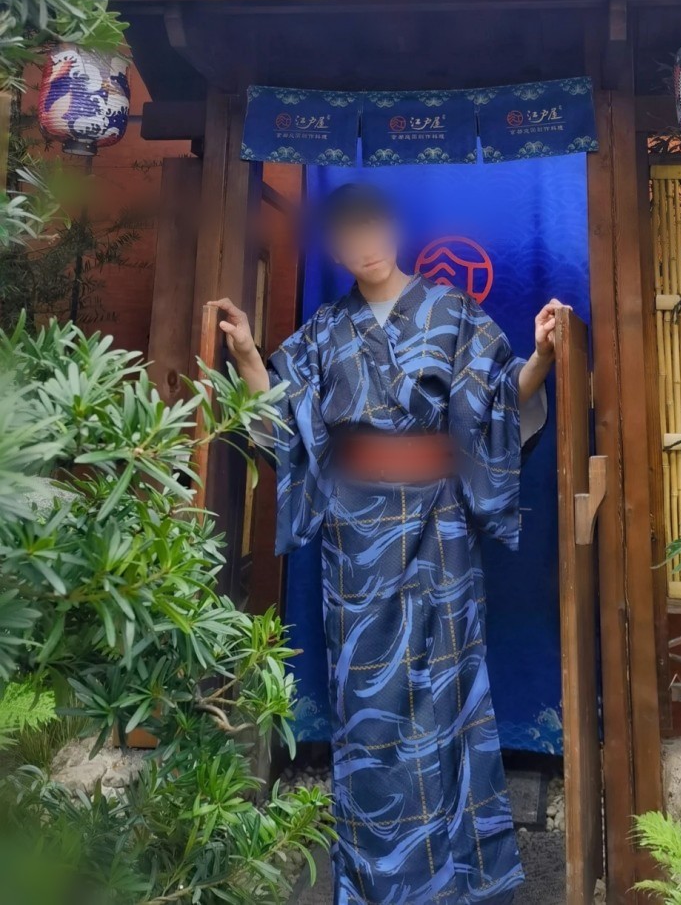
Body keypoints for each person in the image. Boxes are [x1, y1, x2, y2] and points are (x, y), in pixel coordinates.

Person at [210, 182, 566, 905]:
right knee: (365, 704)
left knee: (447, 697)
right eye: (348, 233)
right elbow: (286, 420)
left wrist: (540, 357)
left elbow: (501, 401)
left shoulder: (452, 312)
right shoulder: (322, 331)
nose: (363, 243)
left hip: (441, 537)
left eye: (372, 227)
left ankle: (459, 880)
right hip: (356, 548)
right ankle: (376, 881)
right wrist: (246, 354)